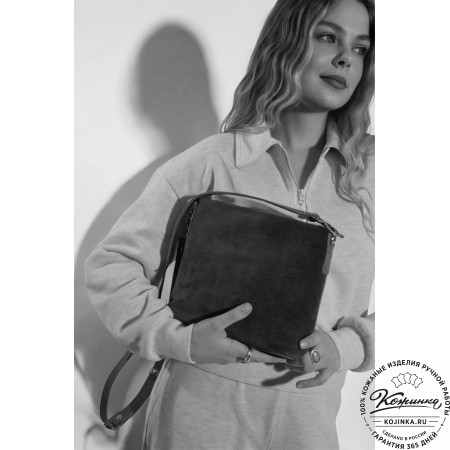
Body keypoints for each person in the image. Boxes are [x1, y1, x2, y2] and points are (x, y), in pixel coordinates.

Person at [85, 0, 375, 448]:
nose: (345, 59)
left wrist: (348, 346)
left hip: (309, 426)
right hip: (197, 416)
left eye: (360, 48)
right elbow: (110, 266)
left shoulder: (373, 176)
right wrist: (177, 338)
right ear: (287, 42)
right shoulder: (213, 163)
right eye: (327, 37)